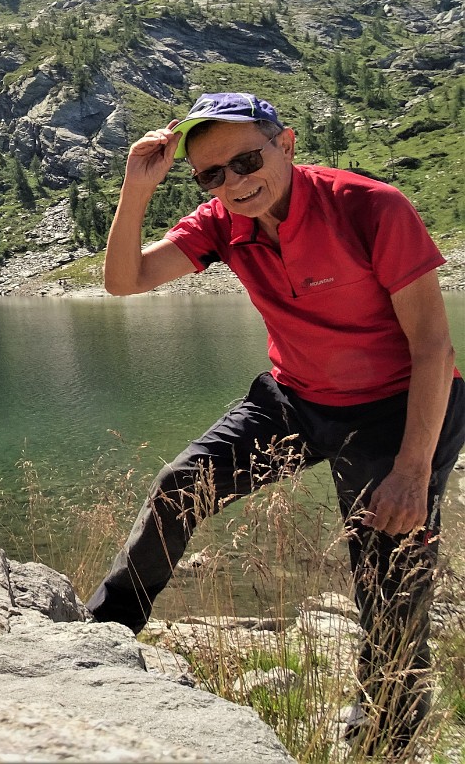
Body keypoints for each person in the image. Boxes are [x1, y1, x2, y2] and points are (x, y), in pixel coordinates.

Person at [86, 91, 463, 754]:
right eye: (211, 174)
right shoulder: (220, 225)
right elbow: (124, 281)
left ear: (286, 145)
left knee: (390, 577)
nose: (234, 182)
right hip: (297, 398)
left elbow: (433, 345)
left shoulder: (372, 208)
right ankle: (105, 631)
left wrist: (411, 470)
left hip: (398, 407)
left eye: (246, 161)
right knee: (181, 487)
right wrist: (135, 190)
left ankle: (386, 735)